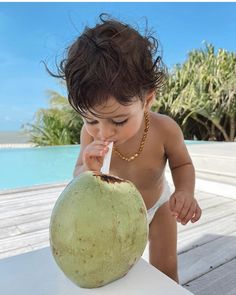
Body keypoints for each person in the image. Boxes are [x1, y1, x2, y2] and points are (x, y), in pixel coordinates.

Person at [53, 14, 202, 283]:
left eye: (119, 121)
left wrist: (184, 191)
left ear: (147, 100)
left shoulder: (164, 129)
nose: (104, 132)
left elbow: (182, 164)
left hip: (159, 207)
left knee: (165, 270)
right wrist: (88, 169)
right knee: (111, 271)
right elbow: (78, 175)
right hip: (111, 215)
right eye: (90, 119)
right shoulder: (90, 136)